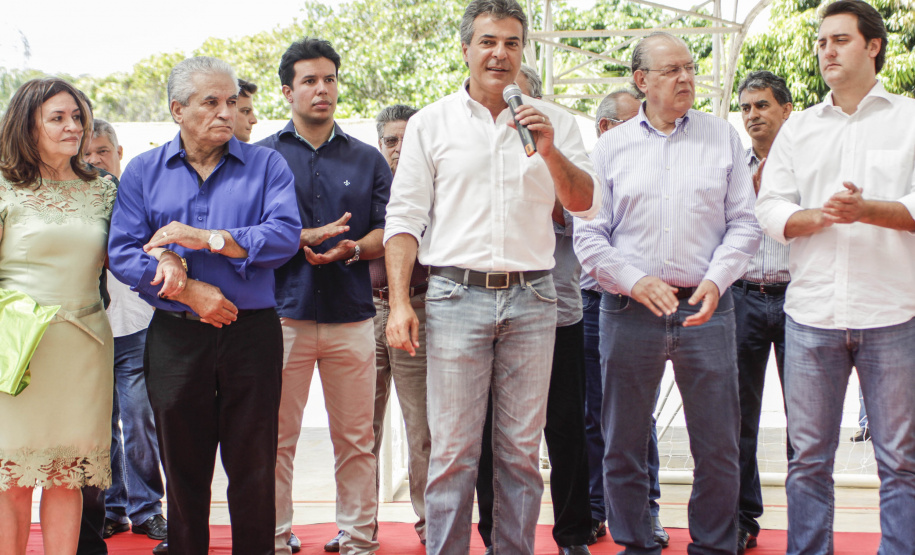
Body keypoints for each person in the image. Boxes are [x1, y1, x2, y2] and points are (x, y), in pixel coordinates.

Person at [383, 1, 600, 552]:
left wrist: (549, 151)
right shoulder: (432, 123)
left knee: (522, 453)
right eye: (488, 41)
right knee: (453, 450)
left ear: (523, 50)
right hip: (455, 296)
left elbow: (585, 203)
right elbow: (404, 218)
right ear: (466, 50)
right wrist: (404, 303)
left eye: (511, 42)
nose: (500, 53)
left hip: (534, 296)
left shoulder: (555, 121)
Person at [574, 31, 760, 554]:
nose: (686, 78)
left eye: (690, 68)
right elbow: (589, 234)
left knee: (719, 443)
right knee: (623, 442)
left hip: (706, 307)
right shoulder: (610, 148)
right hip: (628, 308)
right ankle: (636, 544)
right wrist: (635, 281)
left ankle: (713, 545)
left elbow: (745, 225)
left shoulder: (722, 137)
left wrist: (716, 279)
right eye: (672, 70)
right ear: (641, 81)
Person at [108, 56, 301, 555]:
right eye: (211, 102)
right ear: (177, 109)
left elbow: (282, 237)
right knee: (183, 469)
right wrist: (187, 288)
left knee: (254, 466)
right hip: (176, 335)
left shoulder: (267, 165)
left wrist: (206, 239)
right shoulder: (143, 172)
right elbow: (123, 251)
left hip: (252, 333)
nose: (226, 112)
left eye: (232, 102)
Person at [755, 2, 915, 552]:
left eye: (841, 40)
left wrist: (865, 210)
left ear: (873, 46)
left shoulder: (910, 118)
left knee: (901, 461)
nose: (827, 51)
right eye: (822, 41)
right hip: (811, 316)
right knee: (806, 461)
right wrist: (816, 217)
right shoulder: (797, 128)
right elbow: (770, 208)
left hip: (892, 312)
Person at [256, 37, 391, 555]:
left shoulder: (368, 159)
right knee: (276, 439)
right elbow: (246, 232)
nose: (322, 89)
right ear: (287, 91)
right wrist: (298, 240)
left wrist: (353, 248)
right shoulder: (259, 158)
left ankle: (358, 538)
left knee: (356, 440)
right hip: (279, 317)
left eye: (329, 79)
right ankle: (273, 535)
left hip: (352, 317)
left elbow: (390, 229)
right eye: (310, 80)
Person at [475, 64, 593, 555]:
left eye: (519, 95)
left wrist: (545, 165)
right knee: (487, 437)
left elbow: (582, 212)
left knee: (565, 428)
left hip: (558, 310)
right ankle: (493, 534)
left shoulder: (555, 140)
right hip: (489, 314)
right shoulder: (480, 148)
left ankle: (573, 535)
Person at [0, 77, 115, 555]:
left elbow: (126, 256)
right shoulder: (5, 185)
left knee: (68, 476)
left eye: (77, 116)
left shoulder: (104, 190)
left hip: (86, 346)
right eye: (58, 118)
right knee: (12, 477)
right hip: (18, 347)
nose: (73, 126)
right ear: (29, 125)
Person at [582, 88, 669, 548]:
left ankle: (645, 512)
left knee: (638, 419)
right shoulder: (588, 167)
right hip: (593, 303)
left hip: (640, 302)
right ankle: (599, 509)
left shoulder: (654, 162)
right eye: (633, 120)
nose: (644, 128)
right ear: (605, 128)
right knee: (596, 416)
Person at [89, 118, 169, 543]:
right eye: (85, 153)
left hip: (136, 325)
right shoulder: (76, 201)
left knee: (139, 420)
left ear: (118, 153)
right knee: (101, 425)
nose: (93, 159)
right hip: (90, 330)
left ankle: (146, 509)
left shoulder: (137, 196)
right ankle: (111, 508)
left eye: (101, 151)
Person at [731, 70, 793, 554]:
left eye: (762, 105)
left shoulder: (805, 161)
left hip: (799, 299)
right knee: (737, 417)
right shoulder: (730, 164)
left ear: (786, 109)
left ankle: (808, 519)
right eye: (747, 107)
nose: (753, 115)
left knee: (807, 420)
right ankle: (741, 519)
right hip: (743, 297)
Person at [367, 103, 430, 546]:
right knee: (360, 427)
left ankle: (431, 524)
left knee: (422, 428)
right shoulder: (366, 185)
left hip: (422, 313)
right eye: (391, 139)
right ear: (380, 145)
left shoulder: (435, 184)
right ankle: (358, 524)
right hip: (365, 311)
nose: (400, 147)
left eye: (408, 138)